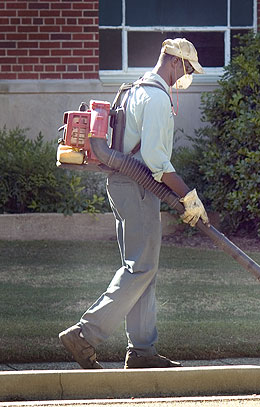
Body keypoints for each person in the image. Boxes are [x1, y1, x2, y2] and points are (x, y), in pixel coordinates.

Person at [59, 38, 209, 369]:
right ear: (172, 62)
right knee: (140, 267)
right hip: (138, 187)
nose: (185, 77)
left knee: (143, 268)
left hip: (124, 185)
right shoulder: (155, 98)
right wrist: (188, 196)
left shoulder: (135, 89)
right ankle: (85, 335)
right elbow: (156, 161)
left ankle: (142, 351)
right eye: (185, 68)